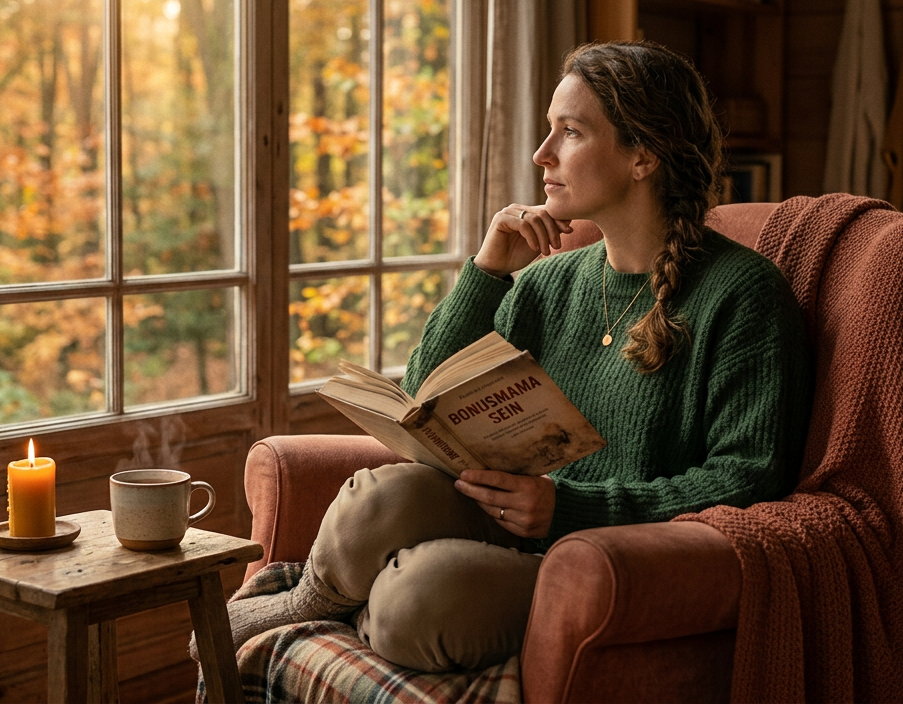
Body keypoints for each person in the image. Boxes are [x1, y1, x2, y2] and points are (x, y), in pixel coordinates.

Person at [211, 40, 812, 673]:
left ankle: (367, 609)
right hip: (508, 522)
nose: (541, 155)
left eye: (570, 132)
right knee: (376, 500)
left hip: (610, 558)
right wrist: (487, 271)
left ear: (642, 156)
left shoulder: (744, 296)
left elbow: (749, 479)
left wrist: (569, 508)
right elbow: (421, 398)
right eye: (548, 130)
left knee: (416, 597)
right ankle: (313, 600)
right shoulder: (552, 281)